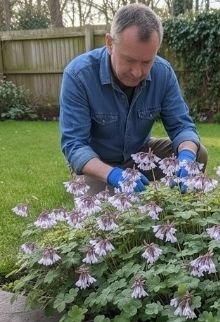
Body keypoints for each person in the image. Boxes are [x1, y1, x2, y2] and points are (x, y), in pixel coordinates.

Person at [59, 3, 207, 195]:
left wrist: (186, 157)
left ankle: (184, 211)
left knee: (198, 154)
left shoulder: (163, 73)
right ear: (110, 43)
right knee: (104, 213)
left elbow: (182, 127)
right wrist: (113, 175)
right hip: (98, 165)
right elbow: (74, 146)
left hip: (139, 154)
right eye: (129, 60)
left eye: (147, 62)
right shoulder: (79, 75)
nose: (137, 72)